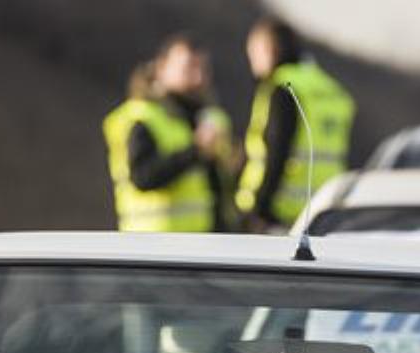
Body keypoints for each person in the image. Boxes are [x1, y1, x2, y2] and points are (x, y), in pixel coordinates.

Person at [236, 16, 356, 232]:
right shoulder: (330, 88)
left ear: (268, 49)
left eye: (253, 52)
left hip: (282, 211)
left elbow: (277, 150)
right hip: (326, 206)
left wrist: (259, 208)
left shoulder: (283, 87)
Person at [102, 34, 231, 232]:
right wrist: (196, 150)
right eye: (189, 67)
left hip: (201, 245)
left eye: (203, 69)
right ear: (162, 68)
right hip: (153, 248)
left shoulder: (201, 117)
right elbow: (143, 176)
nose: (198, 77)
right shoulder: (142, 117)